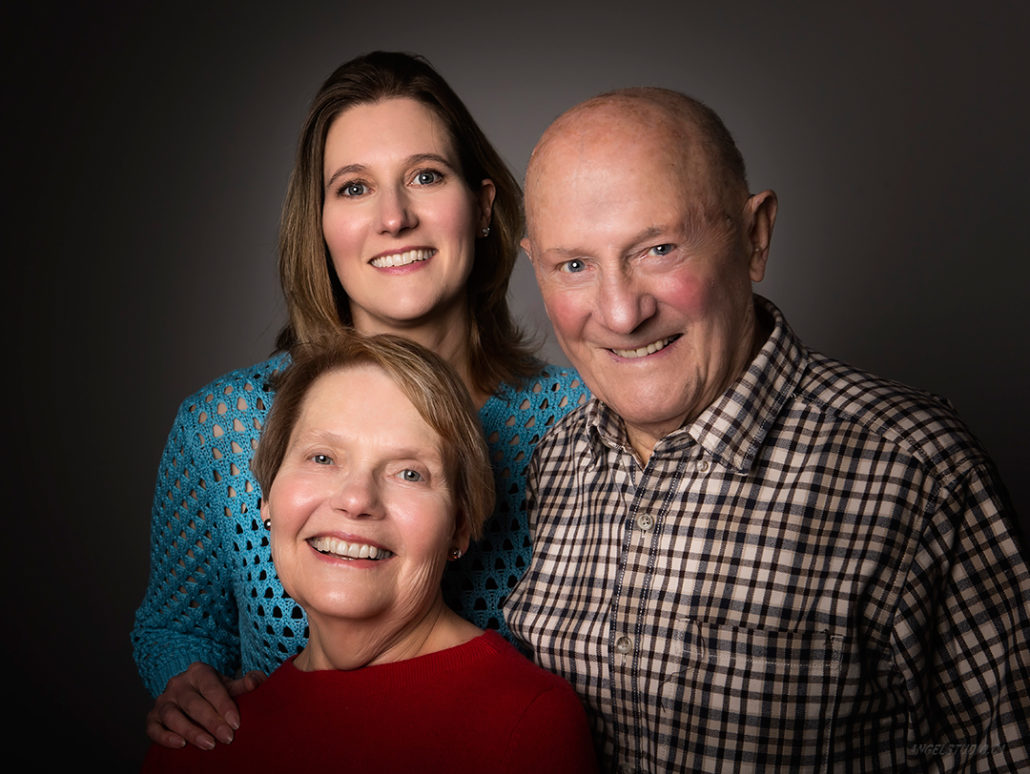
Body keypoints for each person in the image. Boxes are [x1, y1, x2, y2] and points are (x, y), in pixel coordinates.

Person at [504, 87, 1030, 772]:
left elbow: (994, 751)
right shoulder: (555, 461)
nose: (620, 311)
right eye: (574, 265)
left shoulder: (913, 471)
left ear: (754, 238)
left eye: (658, 248)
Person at [133, 50, 589, 751]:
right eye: (353, 188)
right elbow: (179, 622)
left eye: (426, 177)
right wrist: (189, 686)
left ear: (484, 206)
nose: (394, 217)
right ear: (318, 224)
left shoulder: (578, 420)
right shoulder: (221, 428)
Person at [140, 334, 598, 772]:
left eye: (409, 473)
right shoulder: (196, 739)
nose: (357, 499)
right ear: (267, 496)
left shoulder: (528, 726)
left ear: (459, 527)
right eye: (322, 458)